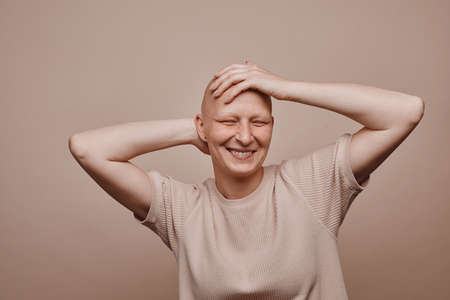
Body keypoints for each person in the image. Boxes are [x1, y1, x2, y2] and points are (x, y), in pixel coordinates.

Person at [69, 61, 424, 299]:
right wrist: (197, 131)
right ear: (203, 125)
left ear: (272, 127)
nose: (244, 136)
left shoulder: (312, 186)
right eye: (229, 122)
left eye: (259, 122)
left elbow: (405, 112)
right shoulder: (182, 210)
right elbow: (87, 148)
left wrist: (285, 88)